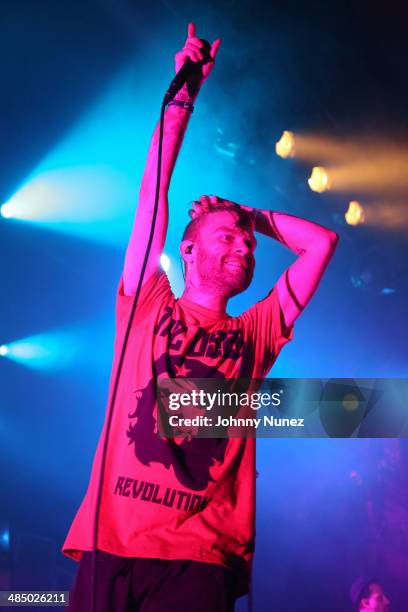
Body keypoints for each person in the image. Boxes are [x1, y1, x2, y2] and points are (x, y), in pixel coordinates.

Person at [63, 23, 338, 611]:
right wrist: (184, 92)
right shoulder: (146, 302)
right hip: (111, 546)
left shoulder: (256, 334)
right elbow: (154, 189)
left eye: (249, 243)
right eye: (228, 236)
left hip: (199, 560)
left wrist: (247, 212)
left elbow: (321, 244)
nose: (244, 246)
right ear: (186, 249)